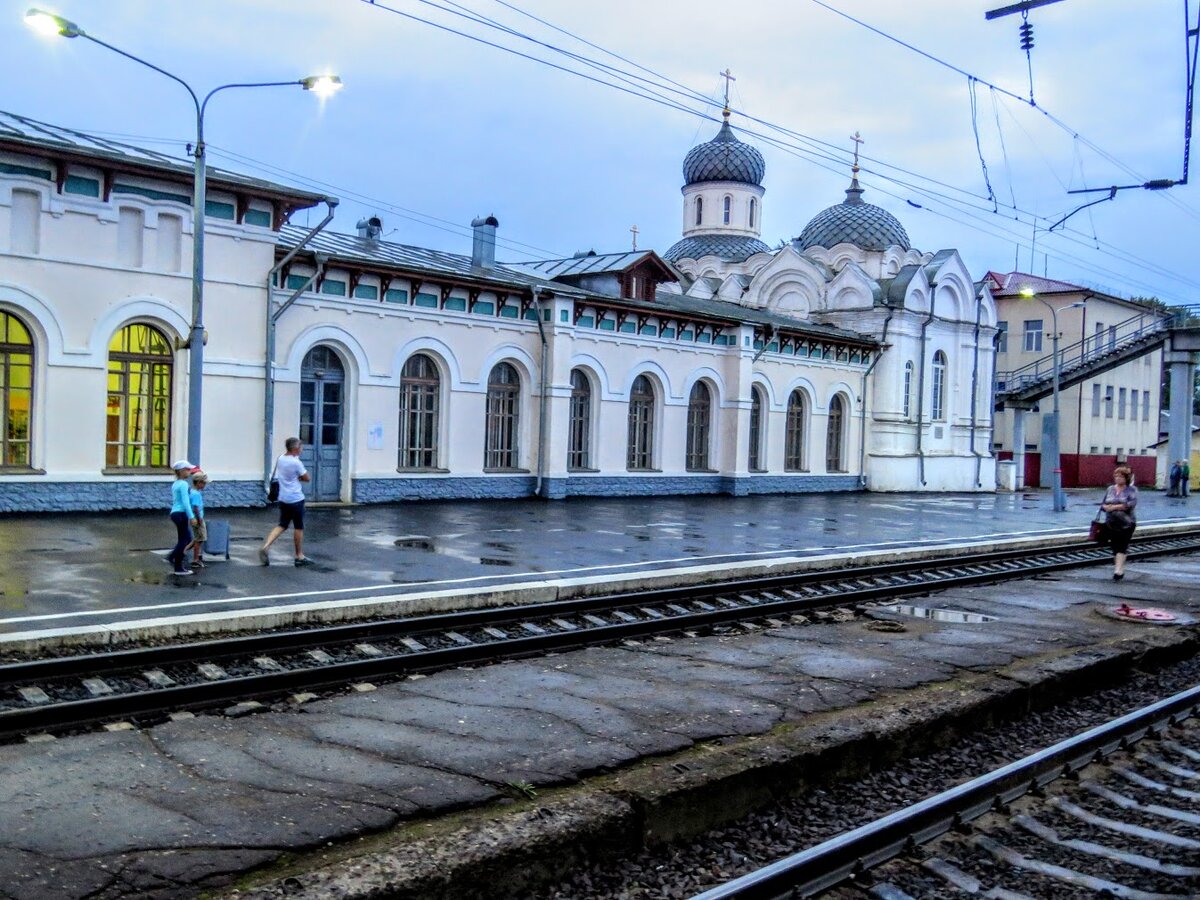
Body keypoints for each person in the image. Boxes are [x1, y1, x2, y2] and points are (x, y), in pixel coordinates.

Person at [259, 436, 313, 567]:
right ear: (295, 448)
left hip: (283, 498)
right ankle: (299, 555)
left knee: (282, 524)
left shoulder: (281, 458)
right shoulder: (296, 462)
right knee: (299, 527)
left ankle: (266, 546)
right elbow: (307, 478)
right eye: (300, 447)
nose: (302, 449)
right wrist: (299, 476)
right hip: (296, 498)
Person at [1101, 465, 1138, 581]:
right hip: (1111, 523)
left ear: (1126, 478)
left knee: (1122, 545)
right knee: (1114, 546)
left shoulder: (1132, 490)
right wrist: (1106, 507)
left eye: (1120, 476)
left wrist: (1113, 507)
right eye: (1116, 476)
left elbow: (1129, 504)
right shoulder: (1110, 489)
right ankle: (1119, 567)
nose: (1117, 478)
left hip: (1127, 523)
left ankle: (1118, 570)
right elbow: (1103, 503)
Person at [168, 459, 197, 576]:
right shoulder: (184, 484)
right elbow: (185, 502)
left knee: (186, 539)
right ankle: (178, 567)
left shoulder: (176, 484)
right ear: (181, 471)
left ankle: (173, 557)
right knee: (184, 541)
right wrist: (192, 516)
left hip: (175, 513)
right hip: (181, 513)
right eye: (187, 470)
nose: (189, 472)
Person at [185, 470, 209, 568]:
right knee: (200, 539)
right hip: (197, 519)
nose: (205, 485)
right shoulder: (196, 494)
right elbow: (195, 508)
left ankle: (183, 551)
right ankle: (195, 559)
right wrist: (199, 519)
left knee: (197, 538)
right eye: (204, 483)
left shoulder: (193, 492)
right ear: (199, 483)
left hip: (196, 518)